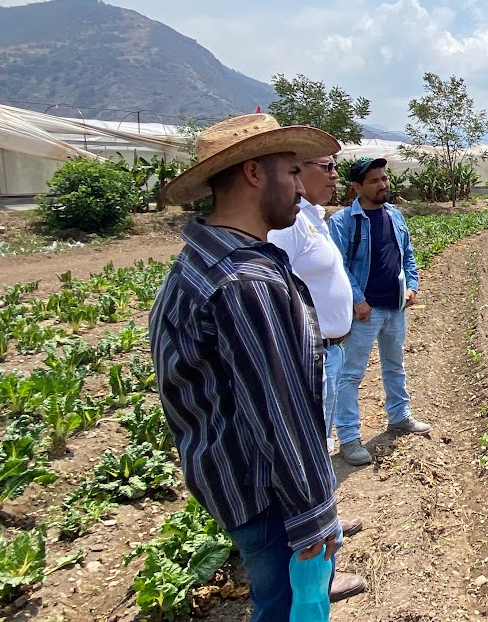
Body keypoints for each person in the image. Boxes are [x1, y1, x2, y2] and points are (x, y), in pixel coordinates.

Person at [150, 113, 365, 621]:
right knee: (286, 607)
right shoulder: (243, 282)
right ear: (253, 174)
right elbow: (279, 415)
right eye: (291, 173)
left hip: (237, 479)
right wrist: (315, 519)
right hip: (267, 494)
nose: (300, 186)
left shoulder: (202, 261)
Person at [265, 152, 366, 551]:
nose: (334, 175)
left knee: (320, 446)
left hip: (331, 350)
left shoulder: (313, 219)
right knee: (311, 449)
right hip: (313, 353)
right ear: (296, 172)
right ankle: (318, 553)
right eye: (326, 167)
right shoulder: (288, 228)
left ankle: (329, 525)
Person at [328, 157, 429, 467]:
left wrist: (412, 286)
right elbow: (339, 265)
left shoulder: (395, 216)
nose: (383, 184)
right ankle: (348, 437)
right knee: (351, 375)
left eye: (384, 178)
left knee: (395, 365)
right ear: (357, 187)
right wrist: (358, 300)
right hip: (365, 314)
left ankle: (399, 416)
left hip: (395, 308)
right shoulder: (343, 222)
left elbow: (408, 255)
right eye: (374, 181)